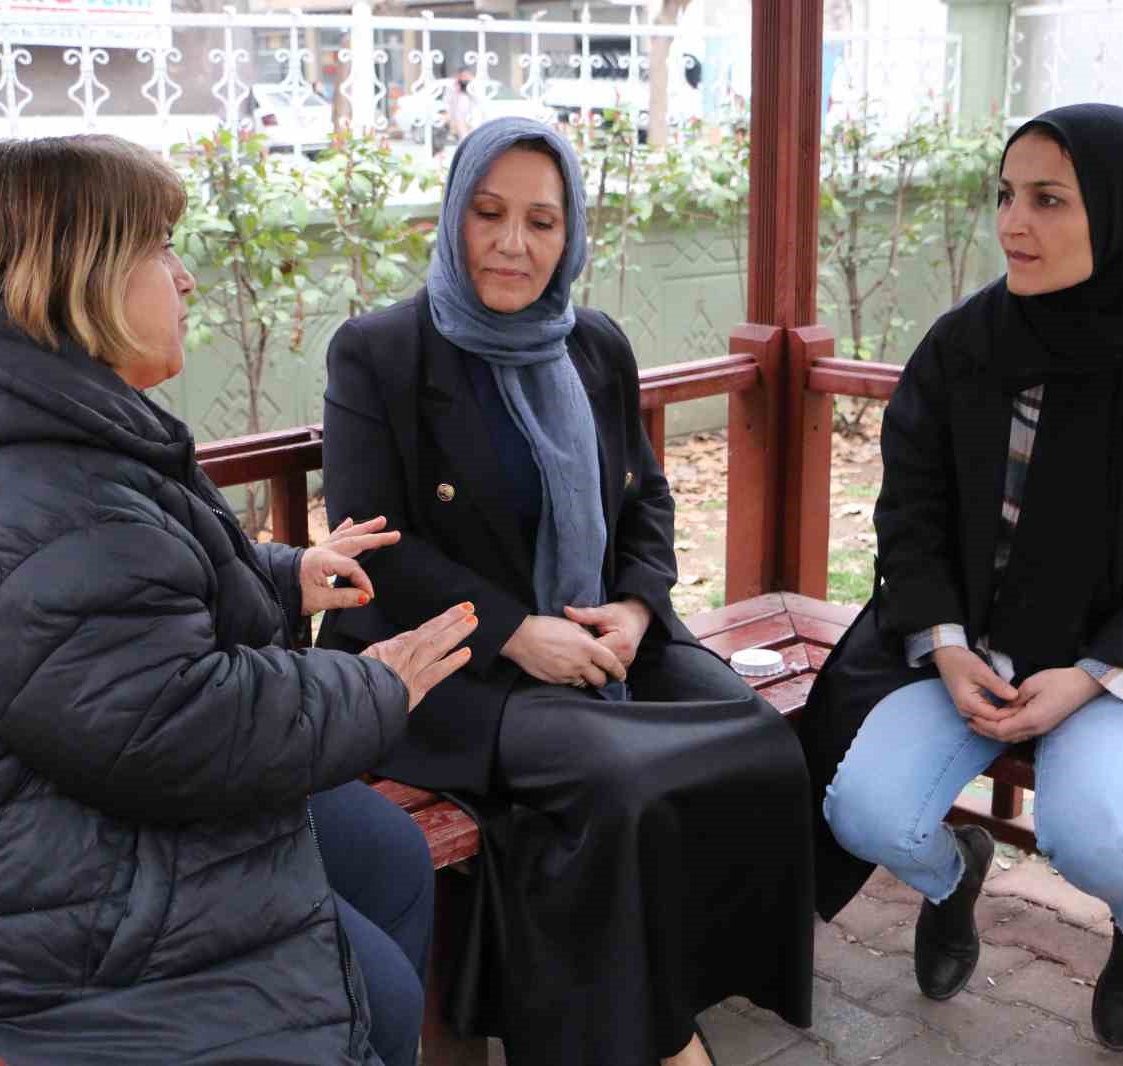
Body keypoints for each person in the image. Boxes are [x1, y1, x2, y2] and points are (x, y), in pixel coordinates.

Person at [0, 134, 477, 1066]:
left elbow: (109, 618)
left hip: (31, 792)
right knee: (380, 998)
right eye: (160, 247)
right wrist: (375, 687)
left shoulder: (23, 417)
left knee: (382, 852)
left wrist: (285, 577)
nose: (186, 278)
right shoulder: (36, 484)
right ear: (83, 272)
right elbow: (166, 720)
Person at [317, 116, 815, 1066]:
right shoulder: (380, 352)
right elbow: (378, 544)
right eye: (489, 213)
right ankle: (659, 1042)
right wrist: (515, 633)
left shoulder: (593, 344)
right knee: (625, 781)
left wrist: (633, 607)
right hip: (454, 669)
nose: (514, 244)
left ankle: (687, 983)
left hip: (602, 637)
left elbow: (647, 497)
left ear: (571, 231)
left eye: (542, 222)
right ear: (455, 217)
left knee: (753, 739)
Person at [800, 104, 1123, 1053]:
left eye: (1048, 200)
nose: (1012, 223)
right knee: (865, 810)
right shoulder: (966, 345)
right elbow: (910, 511)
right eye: (1005, 195)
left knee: (1092, 832)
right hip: (977, 641)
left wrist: (1094, 673)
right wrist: (944, 647)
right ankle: (955, 878)